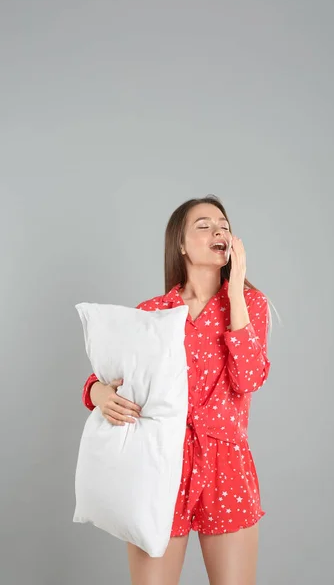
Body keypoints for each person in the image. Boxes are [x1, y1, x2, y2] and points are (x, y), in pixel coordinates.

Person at [81, 195, 271, 585]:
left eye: (223, 224)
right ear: (180, 244)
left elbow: (249, 378)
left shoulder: (250, 303)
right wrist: (97, 393)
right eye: (203, 225)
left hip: (226, 466)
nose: (218, 229)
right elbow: (107, 376)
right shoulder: (152, 312)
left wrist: (235, 291)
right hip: (159, 462)